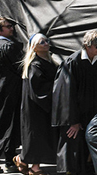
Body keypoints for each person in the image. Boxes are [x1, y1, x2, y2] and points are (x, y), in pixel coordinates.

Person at [52, 30, 97, 175]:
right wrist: (73, 120)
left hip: (91, 111)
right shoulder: (72, 62)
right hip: (74, 111)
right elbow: (65, 93)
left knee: (87, 144)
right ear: (87, 45)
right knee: (72, 144)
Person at [13, 33, 58, 175]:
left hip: (43, 106)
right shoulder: (35, 65)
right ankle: (35, 167)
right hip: (35, 107)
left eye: (46, 41)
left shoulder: (50, 62)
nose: (46, 43)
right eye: (42, 42)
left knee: (41, 136)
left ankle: (22, 160)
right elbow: (38, 89)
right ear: (34, 47)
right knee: (35, 136)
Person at [0, 17, 24, 174]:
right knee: (6, 127)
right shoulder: (8, 47)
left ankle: (9, 161)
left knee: (5, 126)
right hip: (10, 92)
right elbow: (21, 68)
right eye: (8, 27)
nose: (12, 29)